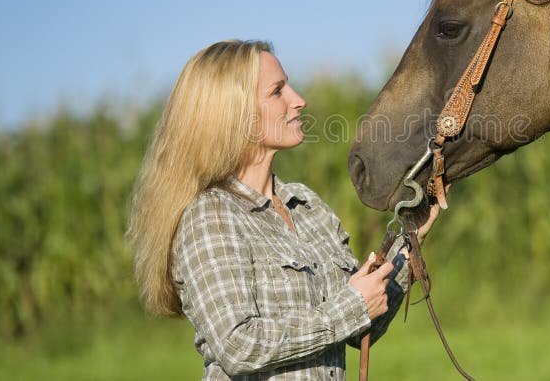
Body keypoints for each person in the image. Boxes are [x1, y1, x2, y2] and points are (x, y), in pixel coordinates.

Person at [127, 39, 439, 380]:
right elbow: (238, 345)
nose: (298, 100)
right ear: (235, 113)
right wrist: (350, 308)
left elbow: (361, 328)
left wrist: (411, 238)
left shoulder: (307, 206)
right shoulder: (211, 217)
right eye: (278, 91)